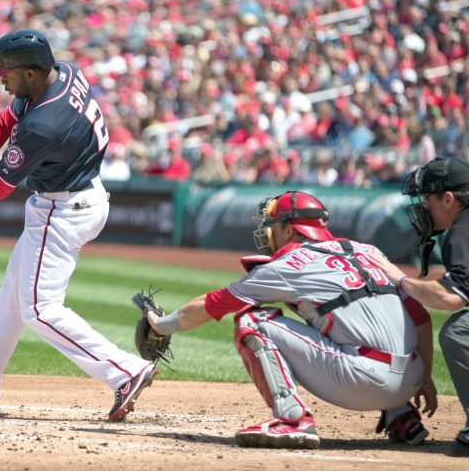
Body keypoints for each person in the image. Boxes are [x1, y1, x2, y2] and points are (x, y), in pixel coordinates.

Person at [0, 28, 156, 422]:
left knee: (40, 310)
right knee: (10, 298)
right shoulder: (60, 73)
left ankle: (126, 370)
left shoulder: (44, 124)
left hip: (63, 210)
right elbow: (1, 123)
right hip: (75, 197)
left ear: (30, 73)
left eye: (7, 74)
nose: (2, 81)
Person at [143, 191, 436, 449]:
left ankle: (292, 420)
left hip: (363, 383)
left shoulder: (291, 263)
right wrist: (424, 378)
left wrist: (161, 324)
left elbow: (214, 304)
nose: (267, 232)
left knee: (252, 321)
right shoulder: (368, 250)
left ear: (287, 228)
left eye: (271, 226)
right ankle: (402, 416)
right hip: (411, 378)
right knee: (344, 318)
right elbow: (421, 318)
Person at [368, 157, 469, 457]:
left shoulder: (462, 229)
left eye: (428, 197)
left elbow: (451, 298)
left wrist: (400, 279)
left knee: (458, 331)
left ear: (448, 198)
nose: (424, 205)